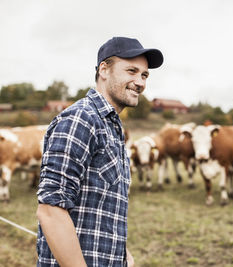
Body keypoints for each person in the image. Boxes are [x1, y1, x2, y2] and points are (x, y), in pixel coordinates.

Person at [36, 37, 163, 266]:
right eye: (132, 71)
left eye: (144, 75)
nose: (140, 82)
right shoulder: (81, 120)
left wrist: (120, 252)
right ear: (104, 69)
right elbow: (51, 211)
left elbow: (99, 203)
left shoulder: (111, 126)